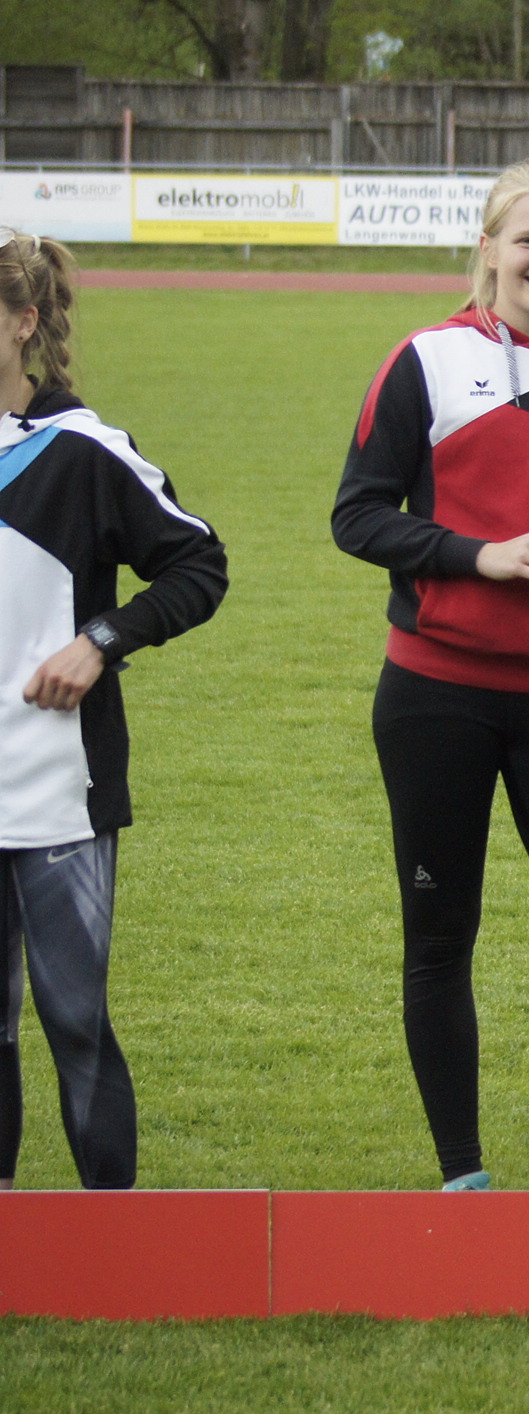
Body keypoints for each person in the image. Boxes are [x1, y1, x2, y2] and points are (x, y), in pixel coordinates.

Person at [331, 160, 529, 1192]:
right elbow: (357, 516)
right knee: (439, 935)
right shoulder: (425, 359)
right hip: (435, 694)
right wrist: (480, 555)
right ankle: (461, 1175)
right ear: (490, 248)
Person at [0, 231, 227, 1192]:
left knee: (74, 1020)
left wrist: (100, 640)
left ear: (25, 321)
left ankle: (114, 1230)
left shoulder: (82, 451)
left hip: (56, 789)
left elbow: (198, 564)